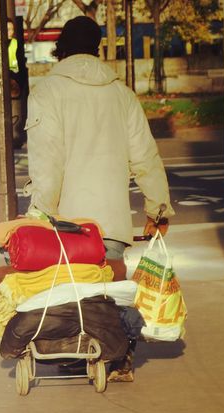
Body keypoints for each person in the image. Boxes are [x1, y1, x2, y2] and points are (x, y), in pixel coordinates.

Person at [24, 16, 174, 382]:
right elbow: (145, 156)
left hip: (68, 220)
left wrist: (40, 214)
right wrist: (158, 208)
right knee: (110, 286)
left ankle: (79, 351)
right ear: (97, 49)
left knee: (73, 289)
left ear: (61, 49)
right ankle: (119, 354)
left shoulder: (47, 91)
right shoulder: (121, 94)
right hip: (111, 219)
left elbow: (48, 161)